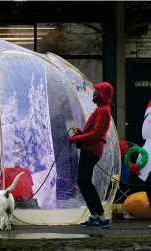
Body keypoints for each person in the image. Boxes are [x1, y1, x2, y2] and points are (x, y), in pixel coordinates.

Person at [69, 82, 114, 228]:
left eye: (97, 91)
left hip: (91, 150)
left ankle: (100, 216)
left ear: (102, 95)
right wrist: (81, 134)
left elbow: (96, 134)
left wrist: (76, 138)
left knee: (84, 181)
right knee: (84, 182)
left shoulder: (103, 111)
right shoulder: (101, 110)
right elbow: (94, 133)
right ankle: (95, 215)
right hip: (90, 149)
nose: (94, 94)